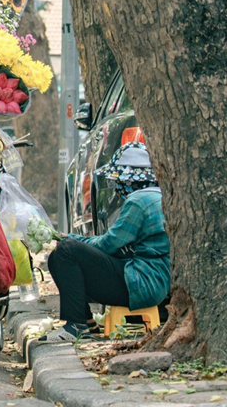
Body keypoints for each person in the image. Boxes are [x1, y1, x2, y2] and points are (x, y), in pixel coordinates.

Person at [43, 141, 170, 341]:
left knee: (67, 250)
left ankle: (76, 326)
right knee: (56, 257)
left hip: (140, 283)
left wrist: (73, 239)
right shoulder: (160, 196)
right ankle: (87, 322)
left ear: (128, 180)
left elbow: (109, 244)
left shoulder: (139, 201)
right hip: (156, 284)